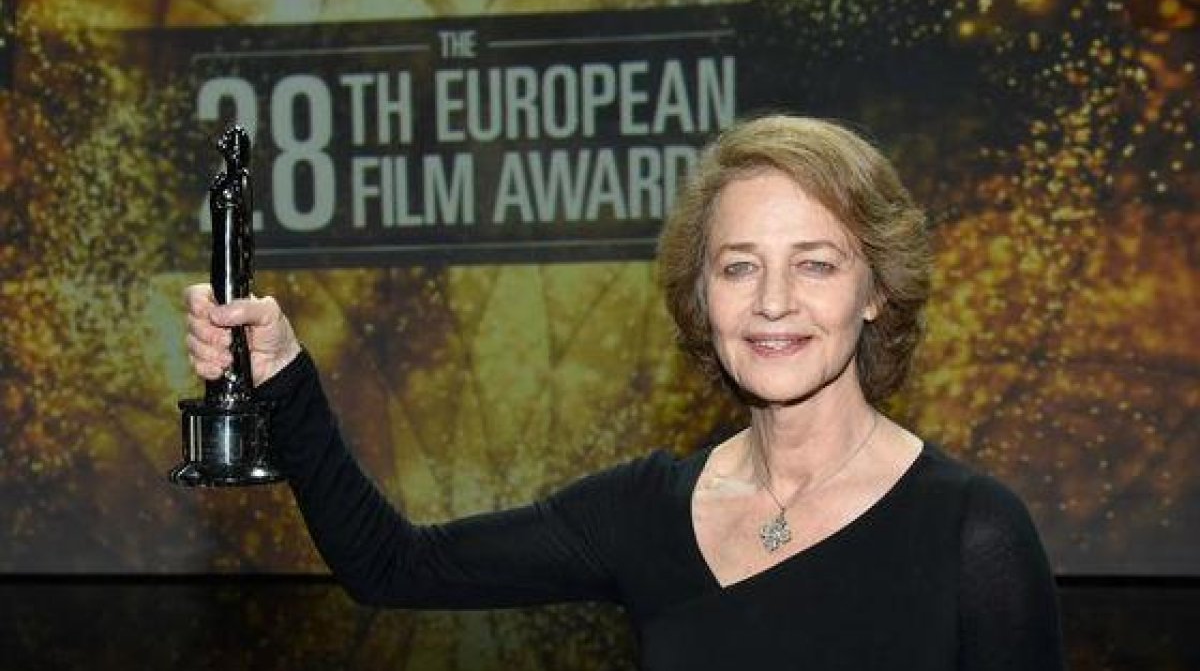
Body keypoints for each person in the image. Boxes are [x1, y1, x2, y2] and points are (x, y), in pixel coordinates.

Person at [184, 115, 1065, 670]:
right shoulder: (645, 510)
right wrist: (284, 372)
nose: (772, 302)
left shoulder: (972, 531)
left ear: (875, 292)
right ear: (701, 296)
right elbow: (391, 566)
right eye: (739, 266)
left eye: (817, 264)